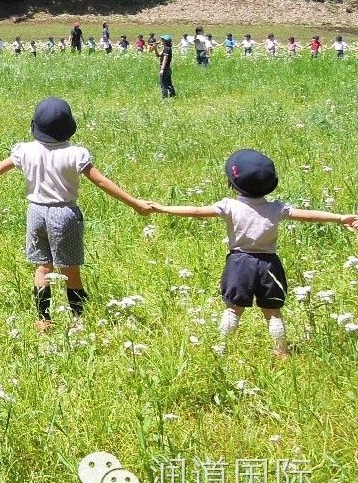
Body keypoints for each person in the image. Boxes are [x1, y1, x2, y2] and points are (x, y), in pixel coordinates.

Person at [0, 98, 152, 331]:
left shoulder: (25, 150)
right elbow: (102, 182)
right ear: (69, 126)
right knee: (70, 268)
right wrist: (134, 203)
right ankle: (78, 318)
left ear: (35, 126)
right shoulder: (75, 154)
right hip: (64, 214)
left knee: (42, 267)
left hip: (35, 213)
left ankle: (43, 319)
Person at [146, 150, 357, 357]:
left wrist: (164, 208)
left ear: (233, 183)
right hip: (270, 265)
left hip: (240, 263)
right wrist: (339, 218)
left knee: (233, 310)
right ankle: (281, 351)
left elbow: (197, 211)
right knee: (273, 313)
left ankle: (221, 348)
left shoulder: (229, 206)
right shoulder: (277, 208)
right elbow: (309, 216)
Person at [158, 34, 176, 99]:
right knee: (169, 83)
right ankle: (173, 95)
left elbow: (165, 60)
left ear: (165, 41)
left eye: (162, 40)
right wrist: (155, 49)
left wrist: (162, 69)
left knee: (163, 84)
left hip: (165, 68)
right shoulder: (166, 48)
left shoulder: (166, 49)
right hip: (167, 68)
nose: (161, 41)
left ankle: (165, 97)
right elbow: (158, 55)